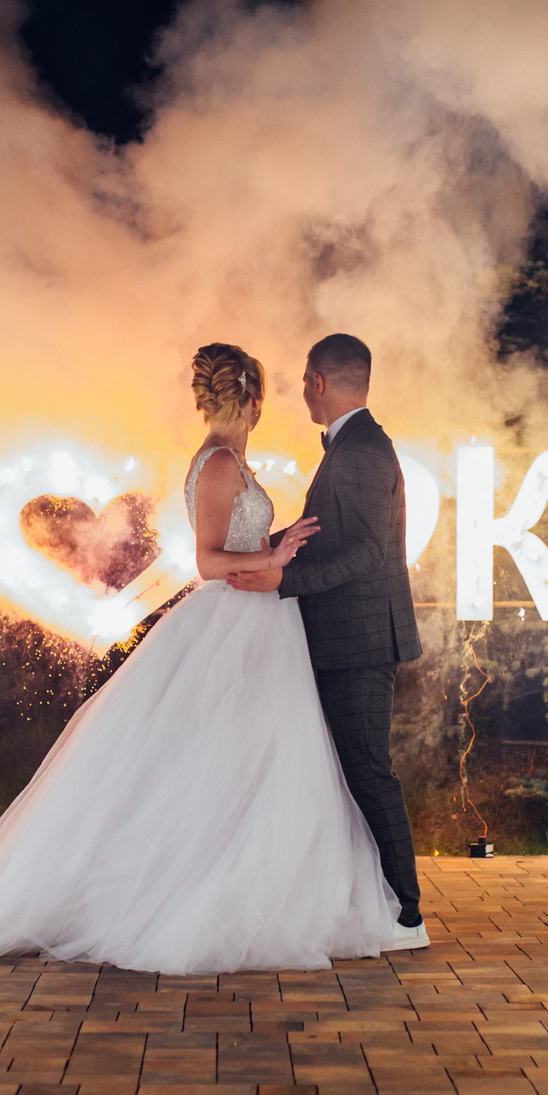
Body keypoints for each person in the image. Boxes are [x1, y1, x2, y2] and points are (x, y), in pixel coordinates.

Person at [0, 343, 405, 973]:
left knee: (260, 760)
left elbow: (240, 544)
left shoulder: (232, 460)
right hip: (238, 621)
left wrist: (279, 547)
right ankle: (208, 894)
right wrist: (274, 559)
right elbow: (209, 561)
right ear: (252, 399)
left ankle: (258, 890)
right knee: (234, 759)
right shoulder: (218, 462)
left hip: (259, 620)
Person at [226, 333, 426, 950]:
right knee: (350, 773)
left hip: (359, 641)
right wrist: (263, 548)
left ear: (318, 381)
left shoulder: (361, 448)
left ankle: (406, 915)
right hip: (347, 637)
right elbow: (326, 532)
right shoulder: (354, 444)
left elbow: (365, 551)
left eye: (303, 382)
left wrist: (283, 580)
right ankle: (370, 905)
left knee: (368, 773)